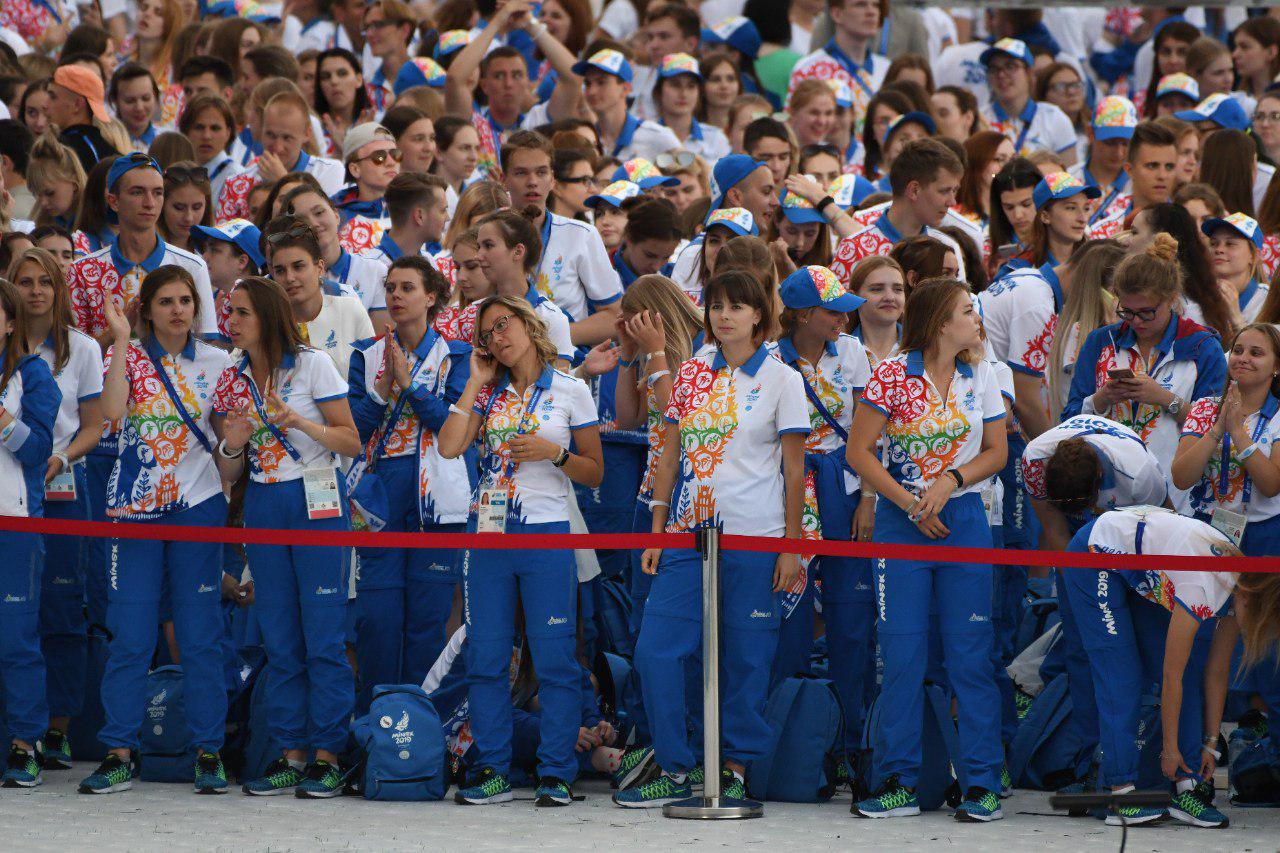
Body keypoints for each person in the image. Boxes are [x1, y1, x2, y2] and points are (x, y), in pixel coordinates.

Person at [616, 270, 806, 808]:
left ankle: (735, 770)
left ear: (758, 315)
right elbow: (669, 456)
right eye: (717, 305)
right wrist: (655, 531)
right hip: (684, 535)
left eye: (737, 306)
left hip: (755, 537)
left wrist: (792, 545)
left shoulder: (782, 378)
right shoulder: (694, 370)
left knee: (746, 660)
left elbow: (795, 471)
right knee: (656, 652)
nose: (724, 315)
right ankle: (675, 767)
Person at [847, 277, 1008, 822]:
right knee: (902, 656)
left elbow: (997, 451)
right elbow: (859, 451)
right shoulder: (892, 373)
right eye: (969, 311)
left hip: (963, 519)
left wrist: (950, 483)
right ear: (942, 321)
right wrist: (909, 501)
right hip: (901, 521)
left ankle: (983, 782)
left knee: (971, 656)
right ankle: (899, 780)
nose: (977, 320)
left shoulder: (980, 372)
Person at [435, 295, 603, 807]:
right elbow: (447, 447)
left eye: (503, 325)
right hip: (488, 535)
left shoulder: (571, 388)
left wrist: (555, 453)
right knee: (486, 656)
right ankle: (493, 769)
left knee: (554, 657)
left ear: (529, 325)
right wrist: (474, 381)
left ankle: (556, 771)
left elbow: (595, 472)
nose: (497, 338)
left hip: (547, 532)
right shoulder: (486, 394)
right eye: (485, 334)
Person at [79, 265, 232, 796]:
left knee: (200, 636)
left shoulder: (220, 360)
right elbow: (111, 416)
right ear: (146, 308)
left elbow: (227, 438)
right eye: (164, 301)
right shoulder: (125, 354)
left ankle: (209, 751)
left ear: (196, 305)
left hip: (199, 507)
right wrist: (121, 341)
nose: (176, 310)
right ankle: (119, 751)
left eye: (185, 299)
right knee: (131, 636)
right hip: (133, 511)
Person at [211, 275, 362, 797]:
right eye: (229, 312)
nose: (230, 321)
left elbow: (351, 441)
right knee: (279, 637)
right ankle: (291, 753)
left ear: (268, 316)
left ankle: (327, 754)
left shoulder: (312, 363)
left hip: (316, 498)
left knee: (323, 635)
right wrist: (231, 446)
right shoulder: (232, 377)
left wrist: (297, 420)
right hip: (265, 501)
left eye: (241, 313)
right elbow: (229, 475)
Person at [347, 255, 471, 712]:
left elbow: (454, 429)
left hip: (438, 499)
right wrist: (383, 389)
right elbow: (354, 432)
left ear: (432, 296)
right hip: (379, 494)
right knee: (377, 619)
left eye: (407, 288)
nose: (395, 296)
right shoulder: (365, 353)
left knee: (427, 621)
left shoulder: (458, 356)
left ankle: (419, 731)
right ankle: (373, 731)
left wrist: (411, 388)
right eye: (391, 287)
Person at [1061, 508, 1236, 828]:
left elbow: (1216, 672)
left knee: (1189, 667)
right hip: (1097, 549)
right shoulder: (1203, 587)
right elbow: (1173, 676)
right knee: (1121, 674)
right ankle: (1120, 791)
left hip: (1142, 564)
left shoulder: (1244, 589)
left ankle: (1187, 787)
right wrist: (1170, 749)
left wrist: (1210, 742)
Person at [772, 264, 875, 755]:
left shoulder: (852, 352)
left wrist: (869, 497)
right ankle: (791, 736)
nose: (842, 320)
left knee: (850, 615)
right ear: (801, 314)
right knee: (788, 608)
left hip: (842, 480)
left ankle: (854, 743)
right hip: (788, 483)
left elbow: (868, 431)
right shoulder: (770, 358)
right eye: (832, 311)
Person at [11, 247, 105, 772]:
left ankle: (58, 729)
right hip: (10, 489)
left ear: (59, 287)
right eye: (24, 281)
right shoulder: (4, 345)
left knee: (64, 611)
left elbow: (93, 424)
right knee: (16, 607)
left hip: (65, 483)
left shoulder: (83, 349)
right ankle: (17, 726)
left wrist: (60, 455)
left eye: (45, 281)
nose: (36, 291)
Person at [1066, 233, 1228, 512]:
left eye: (1147, 312)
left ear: (1172, 300)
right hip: (1108, 495)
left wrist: (1164, 398)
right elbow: (1068, 421)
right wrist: (1101, 400)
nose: (1136, 321)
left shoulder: (1203, 347)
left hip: (1178, 497)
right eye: (1126, 312)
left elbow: (1217, 428)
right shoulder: (1101, 342)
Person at [0, 276, 59, 789]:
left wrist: (1, 420)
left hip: (14, 523)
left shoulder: (32, 374)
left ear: (10, 324)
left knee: (16, 638)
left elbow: (39, 452)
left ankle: (25, 744)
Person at [67, 154, 219, 346]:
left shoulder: (193, 267)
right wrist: (118, 332)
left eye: (157, 193)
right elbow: (76, 359)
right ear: (113, 201)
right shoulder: (82, 271)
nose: (150, 203)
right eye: (137, 192)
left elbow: (205, 350)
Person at [500, 131, 622, 347]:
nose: (532, 182)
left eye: (541, 172)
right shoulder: (486, 234)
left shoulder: (581, 235)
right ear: (504, 180)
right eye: (521, 173)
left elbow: (614, 318)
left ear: (553, 179)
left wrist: (546, 336)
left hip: (566, 369)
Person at [1174, 323, 1280, 550]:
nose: (1243, 358)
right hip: (1206, 527)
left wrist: (1238, 432)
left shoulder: (1278, 415)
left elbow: (1272, 485)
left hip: (1264, 533)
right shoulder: (1204, 407)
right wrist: (1217, 429)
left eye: (1256, 353)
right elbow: (1181, 479)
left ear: (1276, 366)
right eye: (1238, 350)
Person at [830, 139, 967, 287]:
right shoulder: (856, 248)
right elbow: (838, 309)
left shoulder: (947, 247)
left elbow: (958, 307)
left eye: (954, 191)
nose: (952, 202)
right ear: (914, 190)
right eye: (944, 191)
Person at [264, 218, 375, 374]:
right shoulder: (264, 322)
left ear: (320, 268)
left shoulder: (350, 310)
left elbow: (374, 377)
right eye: (280, 270)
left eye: (298, 266)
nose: (289, 277)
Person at [216, 91, 346, 222]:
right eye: (270, 135)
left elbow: (327, 228)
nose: (278, 147)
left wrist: (283, 181)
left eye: (287, 138)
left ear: (307, 134)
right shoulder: (235, 184)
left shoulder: (330, 170)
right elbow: (223, 241)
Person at [475, 208, 575, 366]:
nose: (478, 255)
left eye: (488, 245)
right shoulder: (473, 312)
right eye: (478, 247)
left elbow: (560, 386)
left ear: (518, 251)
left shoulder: (551, 318)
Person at [279, 186, 389, 327]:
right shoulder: (285, 281)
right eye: (302, 220)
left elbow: (380, 342)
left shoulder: (374, 271)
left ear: (336, 216)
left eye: (319, 212)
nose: (313, 224)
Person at [788, 0, 889, 127]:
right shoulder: (808, 68)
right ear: (837, 14)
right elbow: (795, 126)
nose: (871, 12)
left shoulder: (887, 68)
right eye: (860, 4)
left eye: (876, 5)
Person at [570, 49, 680, 162]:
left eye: (601, 82)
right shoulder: (583, 139)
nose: (592, 91)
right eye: (588, 84)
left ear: (626, 88)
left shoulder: (658, 136)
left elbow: (690, 174)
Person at [979, 39, 1077, 166]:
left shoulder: (1054, 118)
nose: (1001, 74)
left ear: (1029, 73)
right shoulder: (980, 119)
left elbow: (1069, 178)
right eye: (993, 69)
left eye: (1010, 66)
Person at [1086, 121, 1180, 240]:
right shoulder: (1103, 234)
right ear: (1129, 170)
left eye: (1169, 167)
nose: (1162, 175)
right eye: (1152, 166)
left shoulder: (1190, 229)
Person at [190, 218, 264, 343]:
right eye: (204, 249)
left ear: (242, 262)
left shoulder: (264, 306)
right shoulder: (207, 300)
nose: (204, 257)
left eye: (214, 250)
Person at [1072, 96, 1139, 228]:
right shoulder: (1070, 179)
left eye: (1126, 143)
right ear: (1090, 133)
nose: (1119, 152)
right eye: (1110, 142)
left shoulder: (1140, 184)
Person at [652, 54, 731, 165]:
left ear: (699, 93)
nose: (683, 93)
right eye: (675, 85)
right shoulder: (646, 136)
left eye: (691, 86)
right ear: (658, 92)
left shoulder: (716, 138)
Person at [48, 64, 123, 174]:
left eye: (53, 97)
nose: (45, 104)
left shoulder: (82, 150)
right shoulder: (95, 147)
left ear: (77, 104)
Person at [1203, 213, 1269, 328]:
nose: (1219, 249)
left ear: (1254, 256)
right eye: (1213, 243)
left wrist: (1237, 320)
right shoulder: (1196, 297)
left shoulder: (1267, 301)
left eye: (1230, 244)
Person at [178, 94, 240, 207]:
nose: (206, 136)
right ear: (186, 131)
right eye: (199, 127)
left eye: (215, 128)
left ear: (228, 133)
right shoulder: (176, 173)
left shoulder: (237, 178)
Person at [159, 163, 212, 253]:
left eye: (197, 207)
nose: (188, 218)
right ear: (161, 204)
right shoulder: (144, 250)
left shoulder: (213, 255)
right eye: (179, 208)